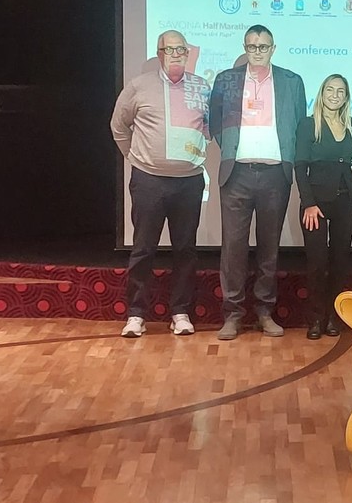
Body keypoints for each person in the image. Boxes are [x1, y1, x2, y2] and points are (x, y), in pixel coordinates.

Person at [110, 29, 210, 338]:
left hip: (189, 181)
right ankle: (136, 314)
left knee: (185, 250)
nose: (177, 54)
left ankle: (180, 312)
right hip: (149, 181)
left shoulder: (202, 87)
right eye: (171, 49)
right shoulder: (139, 86)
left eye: (182, 49)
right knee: (143, 249)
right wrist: (136, 157)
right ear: (159, 53)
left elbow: (209, 127)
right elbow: (119, 126)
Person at [209, 25, 306, 340]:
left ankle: (265, 312)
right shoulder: (226, 79)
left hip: (275, 175)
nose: (258, 51)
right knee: (233, 248)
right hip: (236, 174)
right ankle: (233, 314)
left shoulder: (292, 81)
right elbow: (215, 121)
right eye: (252, 46)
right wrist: (232, 148)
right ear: (245, 47)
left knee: (269, 248)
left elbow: (299, 124)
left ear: (273, 48)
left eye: (263, 46)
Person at [296, 74, 352, 339]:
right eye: (330, 90)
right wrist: (308, 203)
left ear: (346, 97)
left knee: (340, 262)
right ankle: (315, 319)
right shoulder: (309, 124)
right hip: (316, 204)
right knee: (317, 263)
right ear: (322, 93)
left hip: (346, 201)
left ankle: (334, 317)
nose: (335, 95)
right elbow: (300, 165)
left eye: (340, 91)